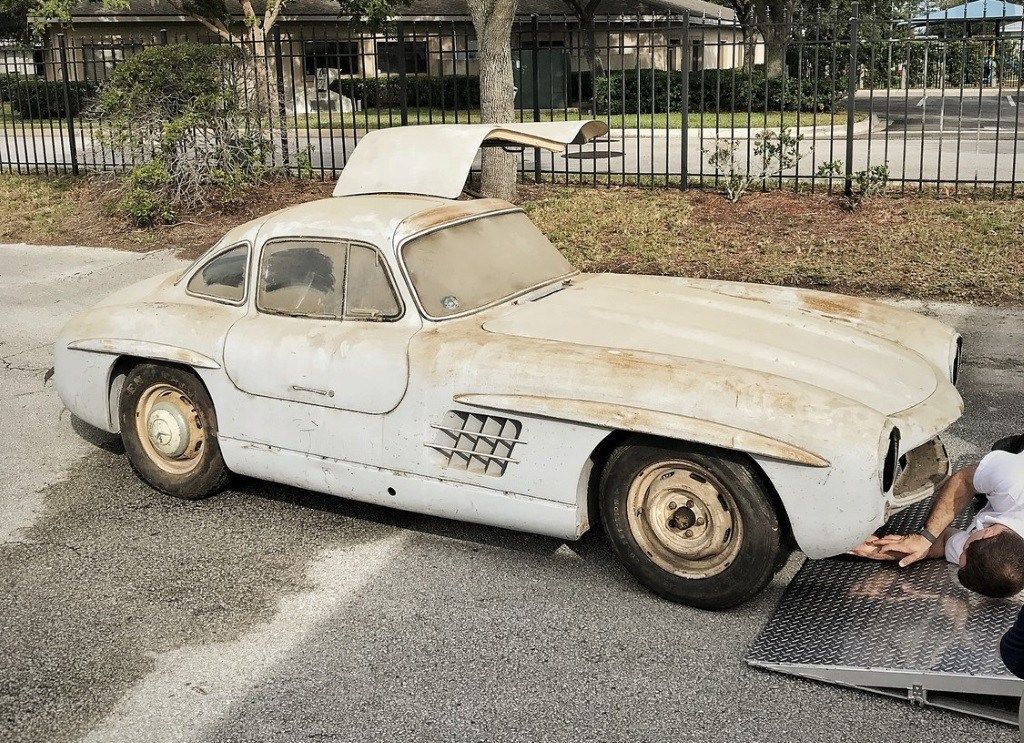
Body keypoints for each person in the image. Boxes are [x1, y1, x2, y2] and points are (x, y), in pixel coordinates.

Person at [852, 442, 1024, 599]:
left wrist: (877, 549)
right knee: (998, 455)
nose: (960, 551)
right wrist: (925, 536)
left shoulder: (991, 550)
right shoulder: (1013, 481)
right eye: (964, 549)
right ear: (989, 533)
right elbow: (964, 480)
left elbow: (943, 541)